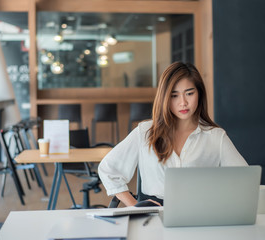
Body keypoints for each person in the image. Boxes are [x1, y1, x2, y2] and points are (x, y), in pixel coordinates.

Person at [98, 62, 248, 207]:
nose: (183, 102)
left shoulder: (215, 136)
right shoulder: (145, 132)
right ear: (164, 98)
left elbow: (244, 180)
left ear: (199, 94)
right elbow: (109, 169)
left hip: (200, 214)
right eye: (174, 95)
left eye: (189, 93)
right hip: (154, 214)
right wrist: (134, 206)